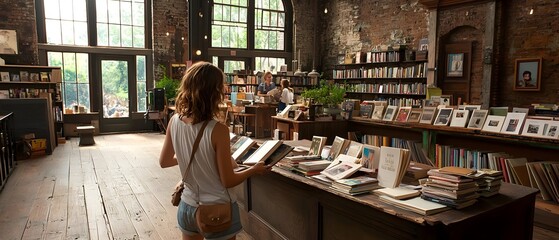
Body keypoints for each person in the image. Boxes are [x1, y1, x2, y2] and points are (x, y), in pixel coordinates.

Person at [159, 62, 270, 240]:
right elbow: (228, 180)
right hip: (217, 209)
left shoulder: (174, 121)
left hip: (187, 206)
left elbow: (164, 162)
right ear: (214, 92)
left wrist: (192, 158)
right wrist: (254, 169)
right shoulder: (217, 129)